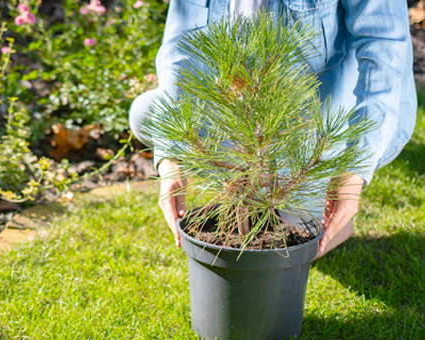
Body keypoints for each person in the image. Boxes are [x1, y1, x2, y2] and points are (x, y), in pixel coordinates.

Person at [129, 0, 417, 258]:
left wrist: (354, 169)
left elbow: (384, 45)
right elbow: (180, 48)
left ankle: (312, 198)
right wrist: (171, 160)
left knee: (293, 241)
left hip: (318, 129)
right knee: (146, 113)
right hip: (244, 120)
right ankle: (252, 190)